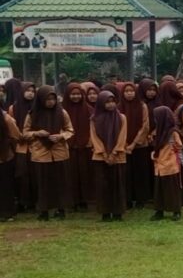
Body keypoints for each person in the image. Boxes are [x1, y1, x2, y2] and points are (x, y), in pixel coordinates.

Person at [22, 85, 73, 220]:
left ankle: (61, 210)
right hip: (41, 153)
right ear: (41, 99)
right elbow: (25, 133)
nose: (51, 102)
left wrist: (60, 136)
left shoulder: (62, 112)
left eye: (53, 99)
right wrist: (37, 133)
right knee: (43, 184)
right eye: (47, 99)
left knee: (60, 182)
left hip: (59, 153)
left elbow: (70, 130)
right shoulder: (33, 114)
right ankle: (43, 211)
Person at [90, 90, 128, 222]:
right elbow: (94, 137)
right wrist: (104, 153)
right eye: (107, 102)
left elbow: (122, 136)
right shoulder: (94, 119)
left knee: (118, 185)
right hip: (101, 157)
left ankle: (118, 213)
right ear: (101, 103)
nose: (111, 105)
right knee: (103, 185)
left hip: (118, 156)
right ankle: (105, 213)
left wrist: (114, 152)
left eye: (113, 102)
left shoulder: (121, 117)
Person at [63, 82, 94, 211]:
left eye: (78, 94)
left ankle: (84, 201)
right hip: (68, 147)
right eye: (73, 94)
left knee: (85, 174)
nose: (76, 97)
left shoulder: (89, 109)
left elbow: (94, 127)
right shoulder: (62, 110)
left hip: (85, 147)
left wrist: (90, 141)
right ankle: (73, 201)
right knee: (70, 175)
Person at [120, 81, 151, 209]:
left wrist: (133, 144)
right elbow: (118, 126)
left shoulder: (142, 106)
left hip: (139, 145)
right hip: (123, 146)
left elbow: (145, 126)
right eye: (126, 91)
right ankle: (127, 199)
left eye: (131, 91)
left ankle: (140, 199)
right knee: (126, 174)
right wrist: (125, 143)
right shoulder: (118, 107)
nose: (129, 94)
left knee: (140, 173)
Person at [7, 80, 37, 212]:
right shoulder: (13, 108)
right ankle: (22, 201)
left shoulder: (37, 107)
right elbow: (11, 126)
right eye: (27, 91)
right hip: (20, 145)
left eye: (32, 91)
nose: (30, 94)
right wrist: (20, 137)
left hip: (36, 144)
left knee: (35, 174)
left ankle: (35, 201)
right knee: (22, 174)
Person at [150, 105, 183, 221]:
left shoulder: (172, 132)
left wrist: (170, 153)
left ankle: (176, 211)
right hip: (159, 165)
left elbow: (179, 146)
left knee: (172, 190)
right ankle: (159, 211)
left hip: (170, 165)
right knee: (160, 190)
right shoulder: (158, 132)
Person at [0, 104, 21, 221]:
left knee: (5, 186)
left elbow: (16, 134)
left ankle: (7, 213)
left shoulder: (6, 118)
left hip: (5, 157)